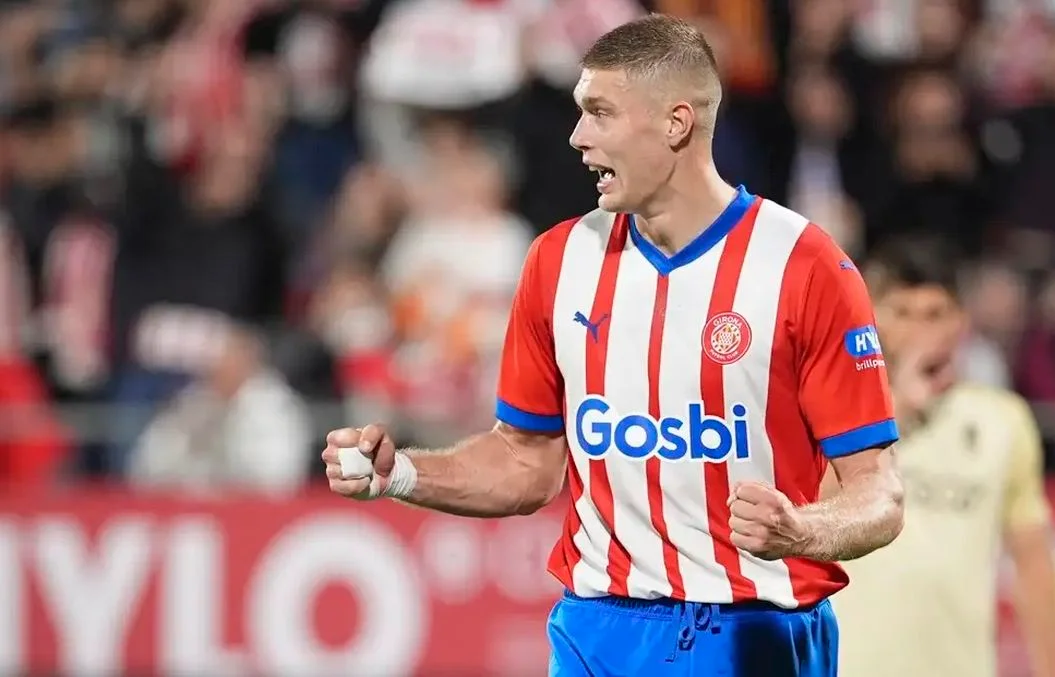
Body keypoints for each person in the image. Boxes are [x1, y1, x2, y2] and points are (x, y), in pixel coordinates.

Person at [321, 14, 905, 677]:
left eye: (600, 113)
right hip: (596, 629)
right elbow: (525, 462)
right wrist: (400, 473)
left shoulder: (804, 266)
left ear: (676, 123)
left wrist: (803, 531)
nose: (578, 136)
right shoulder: (558, 261)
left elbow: (879, 493)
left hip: (752, 631)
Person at [829, 236, 1055, 677]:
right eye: (902, 313)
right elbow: (808, 507)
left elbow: (1033, 566)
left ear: (960, 322)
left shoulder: (1002, 421)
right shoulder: (834, 412)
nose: (919, 330)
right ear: (871, 316)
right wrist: (893, 406)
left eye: (934, 314)